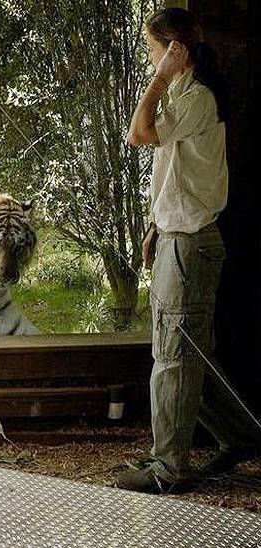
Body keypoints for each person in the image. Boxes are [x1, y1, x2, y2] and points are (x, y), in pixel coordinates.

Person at [117, 7, 260, 494]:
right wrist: (156, 228)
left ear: (175, 51)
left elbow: (138, 133)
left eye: (153, 50)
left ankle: (168, 469)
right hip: (179, 238)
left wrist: (159, 78)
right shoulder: (185, 95)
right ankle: (241, 436)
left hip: (191, 245)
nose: (149, 58)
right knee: (187, 350)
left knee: (175, 356)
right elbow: (176, 172)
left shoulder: (195, 97)